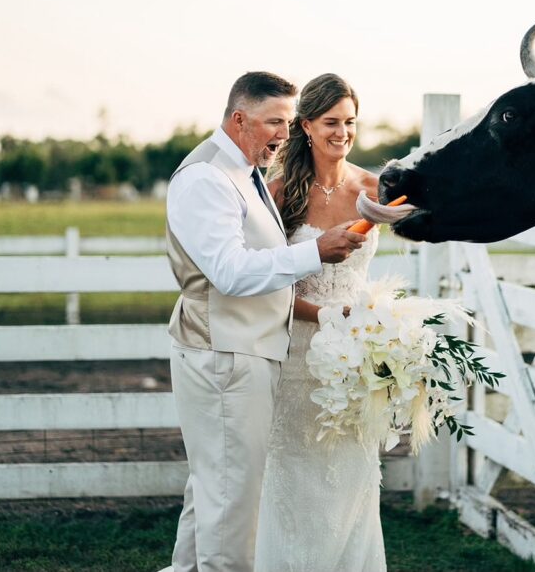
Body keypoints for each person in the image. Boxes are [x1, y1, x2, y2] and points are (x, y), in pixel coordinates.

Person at [164, 71, 366, 572]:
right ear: (239, 119)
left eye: (288, 121)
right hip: (224, 355)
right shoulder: (207, 178)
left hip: (245, 351)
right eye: (273, 121)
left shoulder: (243, 172)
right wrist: (315, 254)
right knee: (233, 506)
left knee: (212, 493)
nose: (284, 132)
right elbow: (229, 272)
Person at [255, 73, 387, 571]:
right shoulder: (278, 193)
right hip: (296, 356)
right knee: (294, 474)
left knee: (352, 472)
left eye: (350, 122)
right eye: (331, 122)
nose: (342, 132)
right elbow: (267, 285)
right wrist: (326, 315)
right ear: (305, 125)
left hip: (357, 354)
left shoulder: (374, 189)